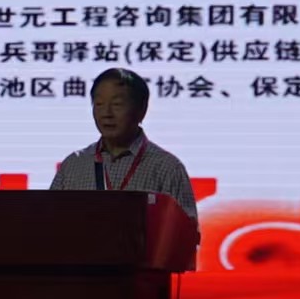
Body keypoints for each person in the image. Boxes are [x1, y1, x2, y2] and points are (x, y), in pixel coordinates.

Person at [47, 67, 197, 224]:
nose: (107, 113)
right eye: (99, 104)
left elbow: (187, 232)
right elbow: (49, 223)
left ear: (142, 109)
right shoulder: (74, 165)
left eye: (117, 104)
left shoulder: (166, 168)